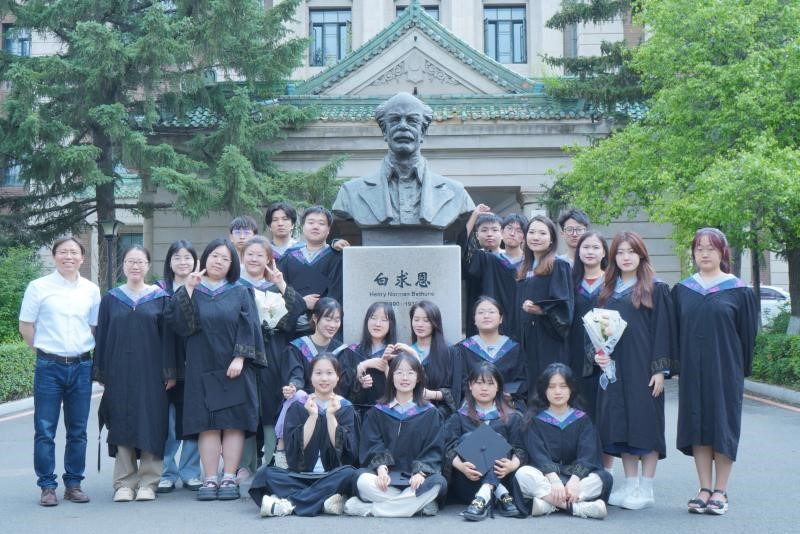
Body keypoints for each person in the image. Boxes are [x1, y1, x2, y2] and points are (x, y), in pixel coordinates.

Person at [165, 238, 267, 502]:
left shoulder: (241, 291)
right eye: (214, 256)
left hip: (234, 367)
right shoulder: (192, 289)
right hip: (201, 365)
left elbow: (250, 327)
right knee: (206, 423)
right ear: (204, 259)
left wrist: (240, 357)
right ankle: (210, 478)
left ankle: (229, 476)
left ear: (232, 264)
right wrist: (187, 289)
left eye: (225, 258)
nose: (218, 261)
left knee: (233, 423)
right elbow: (181, 327)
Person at [673, 228, 757, 515]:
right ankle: (704, 488)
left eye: (711, 248)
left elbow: (747, 336)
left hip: (725, 370)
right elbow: (675, 333)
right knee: (698, 425)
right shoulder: (683, 290)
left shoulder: (739, 290)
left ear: (722, 252)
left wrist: (739, 372)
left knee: (722, 425)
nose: (704, 253)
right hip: (692, 372)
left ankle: (721, 490)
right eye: (699, 248)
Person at [594, 231, 676, 510]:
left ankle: (647, 488)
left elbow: (664, 330)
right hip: (616, 369)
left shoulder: (656, 288)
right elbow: (597, 330)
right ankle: (630, 485)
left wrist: (660, 370)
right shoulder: (607, 290)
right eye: (620, 252)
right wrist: (599, 355)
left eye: (631, 251)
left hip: (644, 368)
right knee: (622, 425)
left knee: (646, 424)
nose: (625, 257)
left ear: (641, 254)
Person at [19, 236, 101, 507]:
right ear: (54, 256)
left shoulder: (91, 290)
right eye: (63, 252)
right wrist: (44, 350)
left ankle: (74, 484)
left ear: (82, 258)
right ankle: (47, 486)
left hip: (81, 366)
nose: (69, 256)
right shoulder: (38, 287)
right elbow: (26, 326)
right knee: (45, 429)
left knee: (78, 430)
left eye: (74, 252)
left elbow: (93, 327)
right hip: (49, 367)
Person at [93, 245, 174, 502]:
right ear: (123, 265)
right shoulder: (111, 299)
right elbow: (102, 336)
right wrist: (102, 373)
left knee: (151, 423)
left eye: (140, 261)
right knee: (121, 421)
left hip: (152, 373)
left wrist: (170, 371)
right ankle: (124, 483)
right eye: (130, 261)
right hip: (119, 372)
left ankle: (149, 482)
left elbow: (169, 339)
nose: (135, 266)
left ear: (148, 266)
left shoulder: (160, 298)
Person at [250, 354, 359, 517]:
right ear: (310, 377)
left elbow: (348, 451)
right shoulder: (298, 406)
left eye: (329, 373)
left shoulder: (345, 407)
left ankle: (287, 503)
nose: (324, 378)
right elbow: (293, 450)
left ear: (338, 377)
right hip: (300, 476)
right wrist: (312, 416)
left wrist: (331, 416)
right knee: (265, 474)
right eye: (318, 373)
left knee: (350, 474)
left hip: (331, 475)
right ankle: (325, 501)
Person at [344, 353, 447, 517]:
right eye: (399, 372)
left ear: (418, 378)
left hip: (415, 480)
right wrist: (381, 469)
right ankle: (415, 505)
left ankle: (367, 509)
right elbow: (372, 443)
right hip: (385, 479)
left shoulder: (430, 413)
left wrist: (420, 473)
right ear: (391, 377)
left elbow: (433, 449)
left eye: (410, 373)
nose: (404, 378)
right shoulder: (378, 412)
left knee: (436, 484)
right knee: (360, 479)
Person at [237, 236, 306, 481]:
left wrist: (281, 283)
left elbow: (299, 310)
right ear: (242, 257)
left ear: (269, 258)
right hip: (244, 353)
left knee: (270, 405)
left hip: (273, 352)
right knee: (244, 406)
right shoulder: (235, 286)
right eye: (250, 254)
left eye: (260, 255)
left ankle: (270, 462)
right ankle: (244, 464)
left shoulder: (276, 287)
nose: (254, 259)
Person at [513, 363, 611, 520]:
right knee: (523, 474)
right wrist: (554, 480)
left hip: (576, 479)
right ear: (544, 390)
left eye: (563, 386)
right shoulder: (534, 420)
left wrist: (575, 480)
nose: (557, 391)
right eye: (551, 387)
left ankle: (548, 504)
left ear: (571, 389)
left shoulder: (582, 419)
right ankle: (577, 507)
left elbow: (588, 454)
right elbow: (538, 455)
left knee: (603, 478)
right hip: (546, 477)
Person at [440, 362, 523, 521]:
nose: (484, 388)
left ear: (498, 387)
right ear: (470, 386)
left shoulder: (512, 417)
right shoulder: (459, 417)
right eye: (479, 382)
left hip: (503, 476)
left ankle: (483, 496)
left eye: (490, 383)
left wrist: (512, 465)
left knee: (497, 439)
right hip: (469, 482)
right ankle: (500, 493)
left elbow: (520, 448)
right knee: (469, 438)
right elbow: (447, 448)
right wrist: (461, 467)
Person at [274, 298, 345, 469]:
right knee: (297, 395)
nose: (332, 325)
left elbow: (345, 381)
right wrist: (293, 386)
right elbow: (295, 375)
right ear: (315, 318)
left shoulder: (342, 350)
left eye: (337, 320)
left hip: (332, 400)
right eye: (328, 319)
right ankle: (281, 448)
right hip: (307, 400)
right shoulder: (298, 346)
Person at [156, 240, 202, 493]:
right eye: (177, 257)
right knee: (168, 423)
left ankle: (191, 471)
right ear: (169, 262)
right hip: (167, 365)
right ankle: (166, 471)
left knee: (194, 421)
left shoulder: (204, 289)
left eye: (187, 257)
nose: (183, 262)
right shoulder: (158, 291)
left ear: (196, 261)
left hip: (196, 364)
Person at [517, 215, 574, 401]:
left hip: (550, 340)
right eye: (532, 232)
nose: (536, 237)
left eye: (542, 233)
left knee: (550, 387)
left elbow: (565, 307)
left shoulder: (559, 266)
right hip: (529, 340)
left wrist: (541, 310)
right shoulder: (524, 268)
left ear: (551, 239)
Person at [452, 297, 527, 411]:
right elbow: (460, 382)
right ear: (474, 319)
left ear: (501, 318)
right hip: (473, 405)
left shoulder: (514, 348)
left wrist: (510, 395)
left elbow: (521, 381)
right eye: (481, 312)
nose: (486, 316)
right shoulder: (462, 349)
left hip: (506, 403)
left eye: (491, 312)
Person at [279, 206, 343, 334]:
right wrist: (301, 303)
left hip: (322, 327)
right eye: (311, 222)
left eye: (321, 223)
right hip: (291, 326)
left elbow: (337, 293)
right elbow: (280, 289)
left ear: (329, 230)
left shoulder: (336, 257)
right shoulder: (290, 256)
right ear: (303, 227)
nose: (315, 227)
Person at [568, 231, 609, 425]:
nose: (590, 252)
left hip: (606, 355)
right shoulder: (570, 281)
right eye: (585, 247)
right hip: (575, 352)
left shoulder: (613, 282)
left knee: (604, 410)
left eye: (595, 247)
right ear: (578, 251)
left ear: (604, 253)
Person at [461, 205, 520, 338]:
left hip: (508, 316)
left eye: (494, 230)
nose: (489, 234)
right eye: (484, 230)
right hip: (479, 317)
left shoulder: (512, 259)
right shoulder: (475, 258)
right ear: (477, 235)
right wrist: (475, 215)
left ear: (502, 233)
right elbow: (461, 246)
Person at [337, 302, 397, 419]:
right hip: (357, 416)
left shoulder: (396, 353)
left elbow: (404, 390)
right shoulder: (351, 351)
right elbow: (341, 389)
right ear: (367, 321)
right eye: (373, 318)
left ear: (391, 324)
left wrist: (386, 368)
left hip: (389, 416)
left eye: (384, 320)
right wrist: (361, 368)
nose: (377, 324)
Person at [403, 300, 456, 418]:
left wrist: (431, 394)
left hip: (440, 415)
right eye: (416, 319)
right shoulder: (406, 353)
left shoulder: (449, 352)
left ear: (435, 323)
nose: (420, 324)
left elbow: (457, 391)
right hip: (409, 415)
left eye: (426, 320)